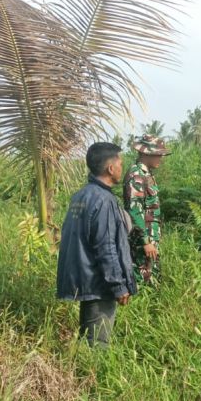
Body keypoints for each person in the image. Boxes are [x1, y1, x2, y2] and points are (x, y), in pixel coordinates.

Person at [57, 142, 137, 346]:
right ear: (111, 168)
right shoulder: (104, 200)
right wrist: (118, 286)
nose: (122, 168)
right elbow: (106, 246)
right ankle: (91, 377)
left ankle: (79, 374)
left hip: (85, 279)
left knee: (88, 338)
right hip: (99, 281)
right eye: (120, 163)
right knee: (98, 343)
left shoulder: (81, 196)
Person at [123, 135, 169, 286]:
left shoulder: (147, 174)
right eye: (158, 154)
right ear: (146, 153)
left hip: (150, 236)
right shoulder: (136, 175)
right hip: (143, 238)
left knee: (152, 275)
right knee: (143, 277)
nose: (161, 157)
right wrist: (145, 241)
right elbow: (135, 211)